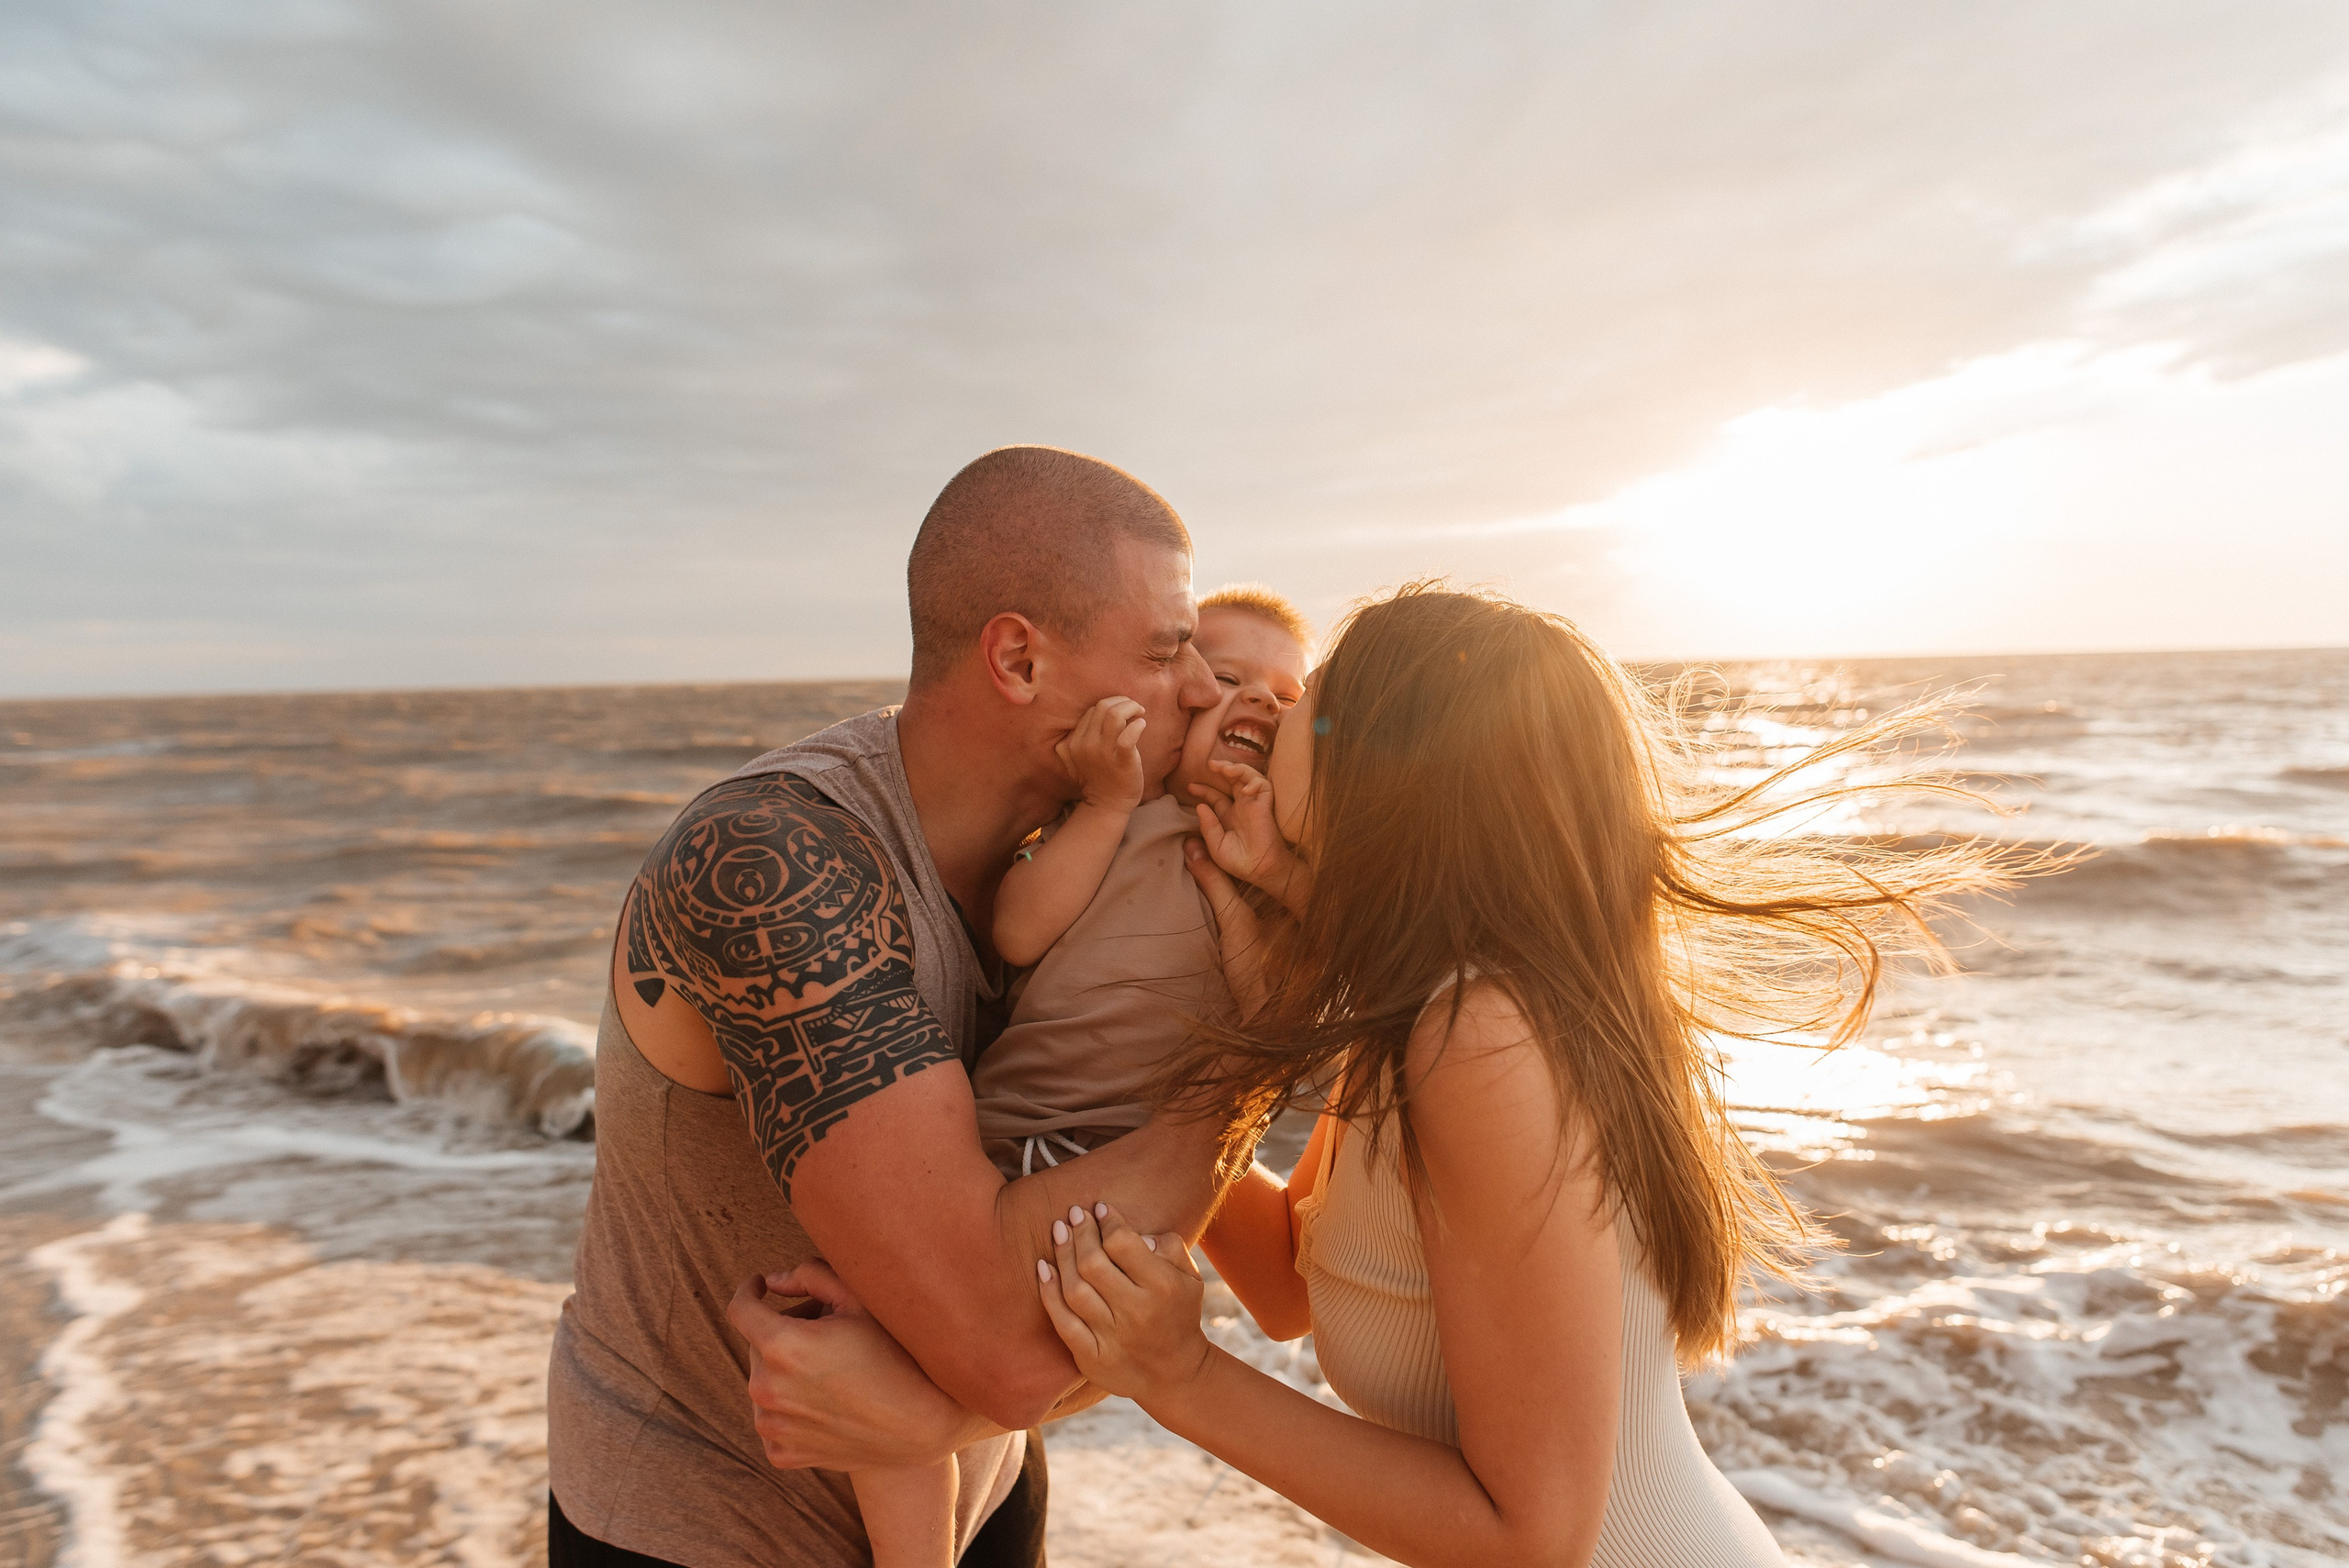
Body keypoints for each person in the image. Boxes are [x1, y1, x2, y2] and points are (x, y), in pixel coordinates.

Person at [739, 583, 2021, 1567]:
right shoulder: (1425, 1008)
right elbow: (1293, 1282)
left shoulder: (1480, 1036)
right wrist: (1202, 1035)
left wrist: (1176, 1375)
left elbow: (1534, 1533)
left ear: (1384, 764)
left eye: (1315, 700)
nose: (1272, 716)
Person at [543, 446, 1247, 1567]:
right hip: (713, 1527)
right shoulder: (779, 864)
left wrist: (954, 1421)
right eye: (1167, 651)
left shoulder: (1078, 854)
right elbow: (1007, 1347)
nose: (1203, 688)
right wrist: (1260, 1040)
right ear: (1018, 658)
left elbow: (1111, 1275)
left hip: (984, 1492)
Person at [852, 588, 1310, 1566]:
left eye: (1286, 695)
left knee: (957, 1377)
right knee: (887, 1355)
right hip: (1008, 1139)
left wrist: (1261, 884)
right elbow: (1020, 930)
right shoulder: (1121, 816)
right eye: (1227, 678)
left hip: (1132, 1176)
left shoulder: (1279, 869)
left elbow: (1276, 1027)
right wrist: (1105, 804)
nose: (1256, 703)